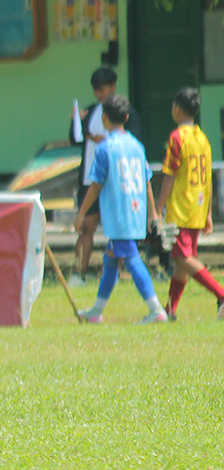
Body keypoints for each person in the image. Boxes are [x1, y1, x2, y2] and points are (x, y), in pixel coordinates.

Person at [74, 94, 167, 324]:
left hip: (118, 213)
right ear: (126, 117)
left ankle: (156, 310)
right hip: (135, 211)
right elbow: (146, 180)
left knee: (131, 258)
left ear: (104, 118)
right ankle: (96, 311)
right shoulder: (137, 146)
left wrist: (82, 213)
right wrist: (152, 212)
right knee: (111, 260)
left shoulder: (105, 148)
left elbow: (96, 185)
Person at [154, 88, 224, 320]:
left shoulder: (177, 137)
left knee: (180, 258)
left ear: (176, 108)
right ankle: (171, 310)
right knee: (182, 263)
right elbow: (208, 178)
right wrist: (208, 213)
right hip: (198, 206)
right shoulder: (202, 138)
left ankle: (221, 294)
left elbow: (170, 174)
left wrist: (158, 208)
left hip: (182, 207)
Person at [68, 67, 141, 286]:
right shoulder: (90, 111)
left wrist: (105, 140)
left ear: (113, 86)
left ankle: (113, 274)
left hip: (116, 181)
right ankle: (78, 273)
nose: (99, 94)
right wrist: (74, 121)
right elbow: (76, 139)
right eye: (96, 90)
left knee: (117, 231)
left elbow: (134, 140)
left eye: (103, 89)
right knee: (85, 228)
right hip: (90, 179)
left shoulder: (125, 112)